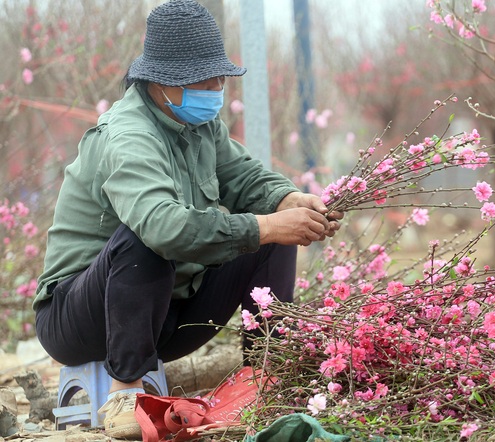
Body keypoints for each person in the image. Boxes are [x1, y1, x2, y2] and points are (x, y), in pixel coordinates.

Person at [33, 0, 341, 438]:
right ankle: (126, 392)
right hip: (81, 318)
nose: (217, 87)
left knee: (274, 228)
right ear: (163, 82)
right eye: (206, 78)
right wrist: (266, 225)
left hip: (163, 314)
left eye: (220, 77)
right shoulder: (128, 136)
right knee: (149, 235)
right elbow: (162, 228)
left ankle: (265, 377)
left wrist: (289, 200)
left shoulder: (199, 125)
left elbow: (243, 175)